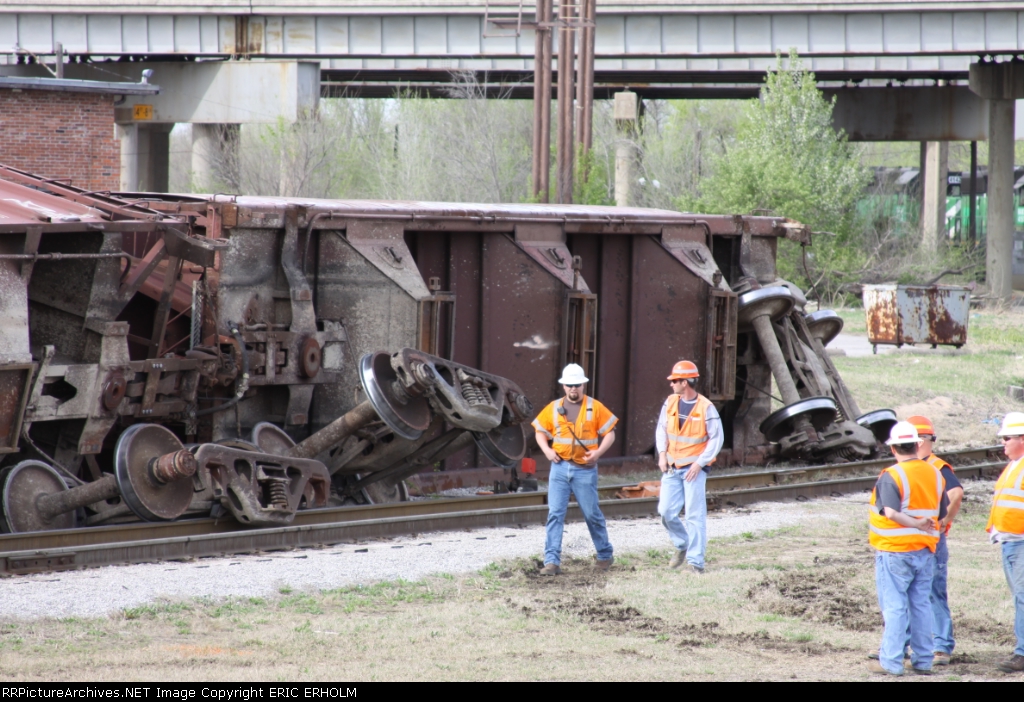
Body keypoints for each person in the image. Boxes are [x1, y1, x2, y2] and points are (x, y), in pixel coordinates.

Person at [869, 421, 947, 677]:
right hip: (925, 551)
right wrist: (922, 527)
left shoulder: (891, 475)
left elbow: (890, 512)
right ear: (916, 445)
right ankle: (923, 660)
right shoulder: (935, 473)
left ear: (893, 449)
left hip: (894, 551)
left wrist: (914, 523)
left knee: (895, 607)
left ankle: (891, 662)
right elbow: (941, 511)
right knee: (921, 605)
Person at [532, 363, 618, 576]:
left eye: (577, 385)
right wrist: (547, 451)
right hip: (559, 468)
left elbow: (610, 433)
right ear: (564, 386)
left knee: (591, 514)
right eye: (569, 385)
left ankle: (605, 555)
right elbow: (540, 432)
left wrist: (597, 454)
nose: (573, 389)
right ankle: (551, 562)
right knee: (555, 514)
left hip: (584, 470)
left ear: (583, 385)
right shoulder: (553, 408)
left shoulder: (595, 407)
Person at [655, 360, 723, 574]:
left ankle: (696, 563)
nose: (671, 384)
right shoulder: (670, 402)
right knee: (665, 511)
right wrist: (662, 455)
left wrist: (699, 463)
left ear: (685, 382)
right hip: (673, 466)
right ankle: (682, 544)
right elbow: (662, 429)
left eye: (674, 380)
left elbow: (716, 438)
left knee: (694, 515)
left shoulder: (706, 407)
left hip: (694, 470)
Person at [908, 415, 963, 666]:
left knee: (932, 592)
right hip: (914, 539)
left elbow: (956, 493)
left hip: (931, 540)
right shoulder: (917, 466)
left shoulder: (937, 466)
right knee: (916, 592)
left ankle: (941, 646)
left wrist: (942, 524)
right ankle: (916, 644)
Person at [985, 411, 1024, 673]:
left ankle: (1022, 652)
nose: (1003, 443)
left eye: (1007, 438)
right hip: (1010, 542)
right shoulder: (1014, 465)